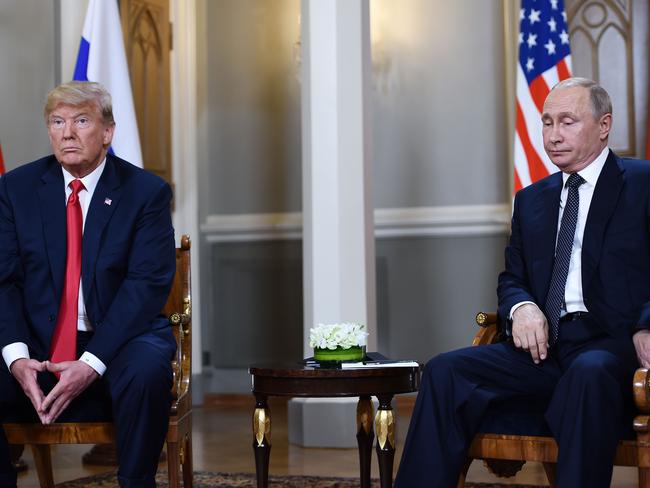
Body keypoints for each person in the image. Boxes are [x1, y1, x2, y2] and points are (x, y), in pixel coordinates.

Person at [394, 77, 650, 487]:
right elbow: (513, 277)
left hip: (609, 344)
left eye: (567, 122)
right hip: (541, 347)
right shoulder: (532, 199)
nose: (553, 136)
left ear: (604, 126)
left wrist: (646, 323)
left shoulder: (641, 183)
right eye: (547, 123)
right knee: (445, 370)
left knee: (589, 373)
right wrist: (521, 307)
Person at [0, 81, 176, 488]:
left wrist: (91, 362)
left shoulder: (145, 193)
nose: (67, 132)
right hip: (39, 344)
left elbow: (145, 287)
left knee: (147, 370)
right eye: (57, 122)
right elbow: (4, 281)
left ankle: (136, 483)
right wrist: (16, 357)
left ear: (108, 132)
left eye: (81, 121)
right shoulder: (16, 189)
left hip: (118, 341)